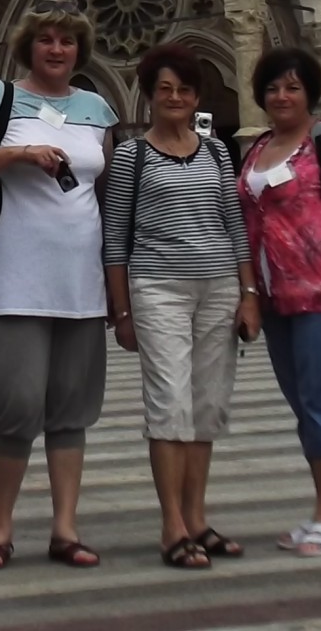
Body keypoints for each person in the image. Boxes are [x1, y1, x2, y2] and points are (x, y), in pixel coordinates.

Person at [0, 4, 114, 572]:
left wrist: (118, 282)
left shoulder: (97, 109)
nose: (57, 49)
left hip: (81, 282)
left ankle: (65, 529)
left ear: (80, 50)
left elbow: (105, 194)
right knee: (16, 407)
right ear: (29, 47)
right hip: (18, 279)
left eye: (67, 41)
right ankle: (0, 529)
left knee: (71, 410)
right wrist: (17, 153)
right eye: (46, 40)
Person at [102, 42, 256, 570]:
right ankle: (172, 527)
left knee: (207, 406)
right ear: (149, 95)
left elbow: (235, 224)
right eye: (165, 88)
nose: (175, 97)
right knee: (170, 405)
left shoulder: (217, 153)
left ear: (196, 97)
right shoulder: (132, 156)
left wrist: (249, 294)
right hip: (158, 288)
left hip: (220, 288)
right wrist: (121, 312)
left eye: (184, 90)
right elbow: (115, 238)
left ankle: (197, 519)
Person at [238, 47, 321, 560]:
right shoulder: (258, 149)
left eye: (292, 87)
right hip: (276, 297)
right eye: (273, 88)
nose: (282, 96)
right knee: (303, 404)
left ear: (309, 93)